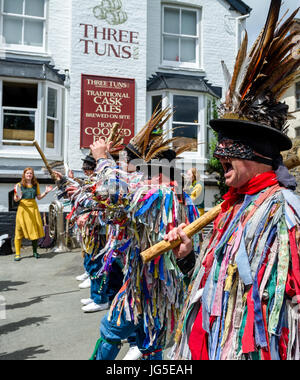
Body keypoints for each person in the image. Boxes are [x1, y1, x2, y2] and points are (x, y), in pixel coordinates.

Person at [164, 1, 300, 360]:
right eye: (220, 146)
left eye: (230, 147)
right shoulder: (231, 206)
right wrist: (188, 258)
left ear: (256, 154)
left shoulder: (284, 214)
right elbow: (214, 285)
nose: (219, 154)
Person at [62, 108, 200, 360]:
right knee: (145, 340)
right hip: (145, 280)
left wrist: (103, 158)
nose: (132, 173)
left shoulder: (161, 194)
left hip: (152, 285)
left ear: (156, 169)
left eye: (137, 168)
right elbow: (110, 201)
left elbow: (115, 193)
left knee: (117, 331)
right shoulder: (174, 195)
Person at [13, 167, 52, 261]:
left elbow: (38, 197)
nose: (29, 175)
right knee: (19, 231)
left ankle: (35, 251)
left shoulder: (36, 184)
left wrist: (46, 192)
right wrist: (17, 197)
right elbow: (16, 199)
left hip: (33, 208)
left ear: (32, 175)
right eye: (27, 173)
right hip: (23, 209)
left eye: (31, 173)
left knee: (34, 230)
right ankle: (17, 254)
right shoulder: (18, 185)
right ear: (24, 175)